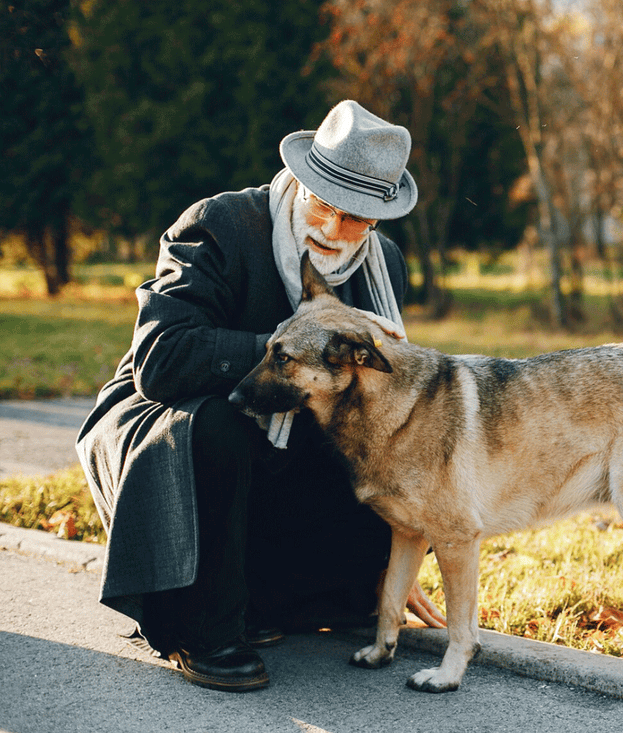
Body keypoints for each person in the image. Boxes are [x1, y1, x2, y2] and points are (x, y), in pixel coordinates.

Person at [76, 100, 445, 693]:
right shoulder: (217, 225)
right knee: (224, 421)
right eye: (323, 204)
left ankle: (293, 598)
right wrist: (289, 354)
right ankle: (205, 625)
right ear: (300, 180)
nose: (332, 230)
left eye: (356, 220)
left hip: (294, 432)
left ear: (378, 219)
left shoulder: (385, 269)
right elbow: (160, 360)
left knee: (392, 429)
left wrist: (397, 553)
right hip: (177, 413)